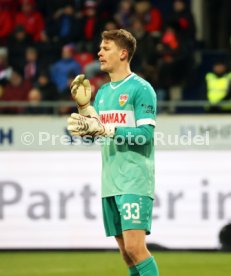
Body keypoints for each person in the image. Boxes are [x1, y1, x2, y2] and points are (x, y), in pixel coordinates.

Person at [67, 29, 159, 276]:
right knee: (126, 254)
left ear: (123, 53)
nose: (99, 52)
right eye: (100, 48)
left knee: (135, 248)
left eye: (106, 48)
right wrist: (85, 108)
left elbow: (145, 136)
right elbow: (97, 130)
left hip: (134, 178)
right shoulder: (104, 92)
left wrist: (107, 129)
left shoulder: (141, 89)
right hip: (110, 180)